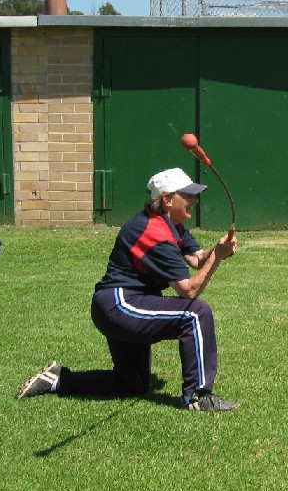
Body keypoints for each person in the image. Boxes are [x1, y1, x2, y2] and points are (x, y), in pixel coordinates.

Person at [16, 167, 240, 412]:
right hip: (119, 305)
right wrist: (217, 256)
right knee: (196, 313)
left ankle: (58, 379)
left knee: (132, 383)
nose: (195, 201)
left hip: (123, 304)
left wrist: (220, 250)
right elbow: (189, 291)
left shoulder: (172, 225)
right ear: (167, 199)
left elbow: (198, 259)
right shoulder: (153, 231)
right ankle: (197, 396)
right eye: (188, 196)